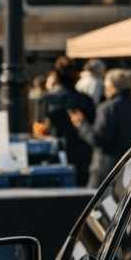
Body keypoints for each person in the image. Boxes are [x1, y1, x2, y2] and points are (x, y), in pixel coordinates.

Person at [69, 68, 131, 189]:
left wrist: (82, 125)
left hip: (108, 171)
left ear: (111, 87)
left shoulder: (107, 108)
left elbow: (99, 139)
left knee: (97, 206)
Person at [37, 56, 94, 186]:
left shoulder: (45, 100)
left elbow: (39, 132)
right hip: (81, 154)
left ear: (55, 76)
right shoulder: (86, 100)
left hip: (53, 155)